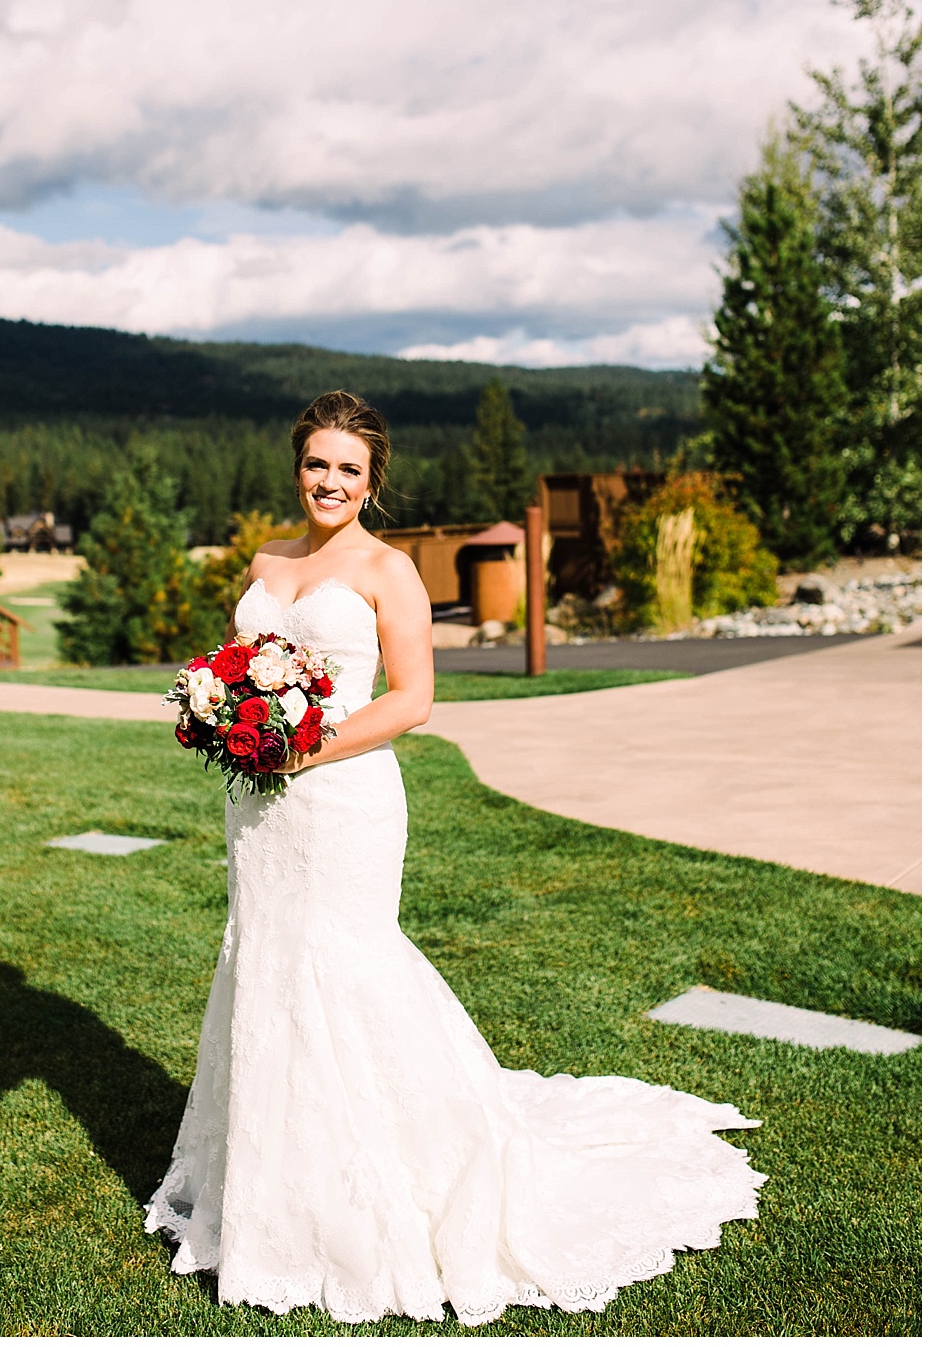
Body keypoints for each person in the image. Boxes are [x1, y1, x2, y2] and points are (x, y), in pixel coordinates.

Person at [146, 390, 765, 1325]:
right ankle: (276, 1193)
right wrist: (221, 712)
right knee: (268, 970)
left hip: (343, 800)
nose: (330, 482)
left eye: (349, 469)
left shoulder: (390, 570)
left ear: (373, 480)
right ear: (297, 466)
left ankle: (391, 1189)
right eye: (318, 464)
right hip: (261, 814)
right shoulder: (266, 560)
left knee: (346, 972)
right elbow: (247, 668)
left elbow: (413, 700)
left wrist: (300, 749)